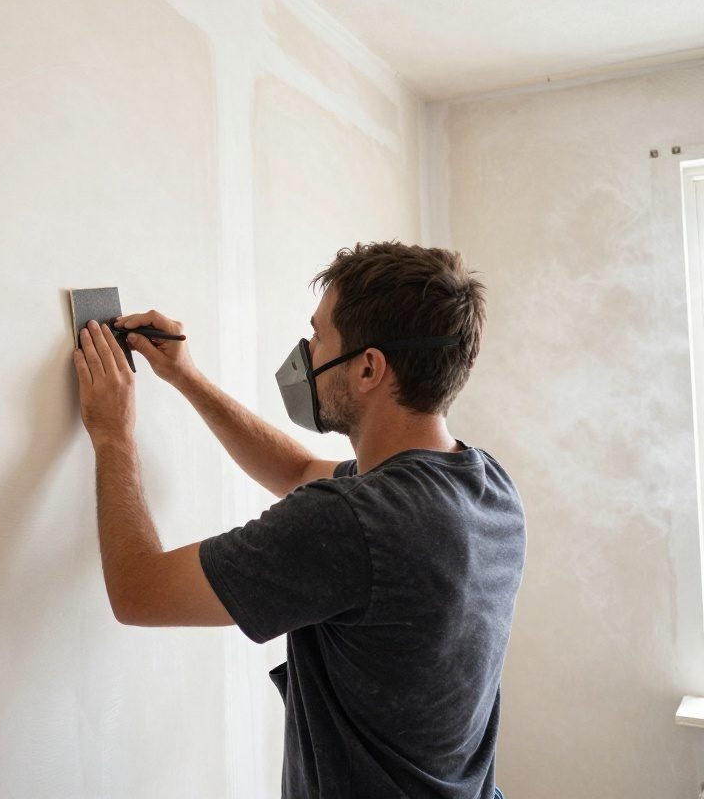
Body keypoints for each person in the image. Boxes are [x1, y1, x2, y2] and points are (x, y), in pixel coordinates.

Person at [71, 241, 525, 799]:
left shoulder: (353, 521)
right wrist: (187, 378)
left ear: (368, 367)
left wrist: (112, 434)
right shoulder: (485, 485)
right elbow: (298, 470)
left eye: (318, 336)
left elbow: (138, 592)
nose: (306, 353)